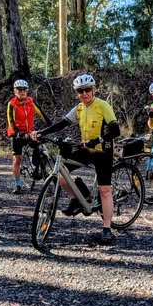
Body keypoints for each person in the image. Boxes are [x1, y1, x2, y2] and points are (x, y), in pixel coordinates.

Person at [33, 73, 120, 244]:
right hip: (86, 148)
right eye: (80, 91)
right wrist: (41, 133)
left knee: (105, 190)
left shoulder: (103, 106)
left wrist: (99, 139)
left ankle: (107, 228)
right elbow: (62, 123)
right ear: (77, 93)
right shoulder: (79, 108)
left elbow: (115, 130)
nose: (84, 93)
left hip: (103, 151)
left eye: (87, 90)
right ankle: (79, 198)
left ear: (93, 90)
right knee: (60, 172)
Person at [6, 79, 46, 193]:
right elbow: (11, 121)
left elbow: (42, 114)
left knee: (39, 149)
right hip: (17, 134)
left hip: (30, 133)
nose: (22, 92)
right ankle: (18, 185)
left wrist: (52, 126)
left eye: (24, 90)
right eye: (19, 90)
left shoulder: (31, 102)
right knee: (17, 160)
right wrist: (18, 134)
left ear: (27, 91)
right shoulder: (12, 104)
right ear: (15, 91)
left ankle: (37, 169)